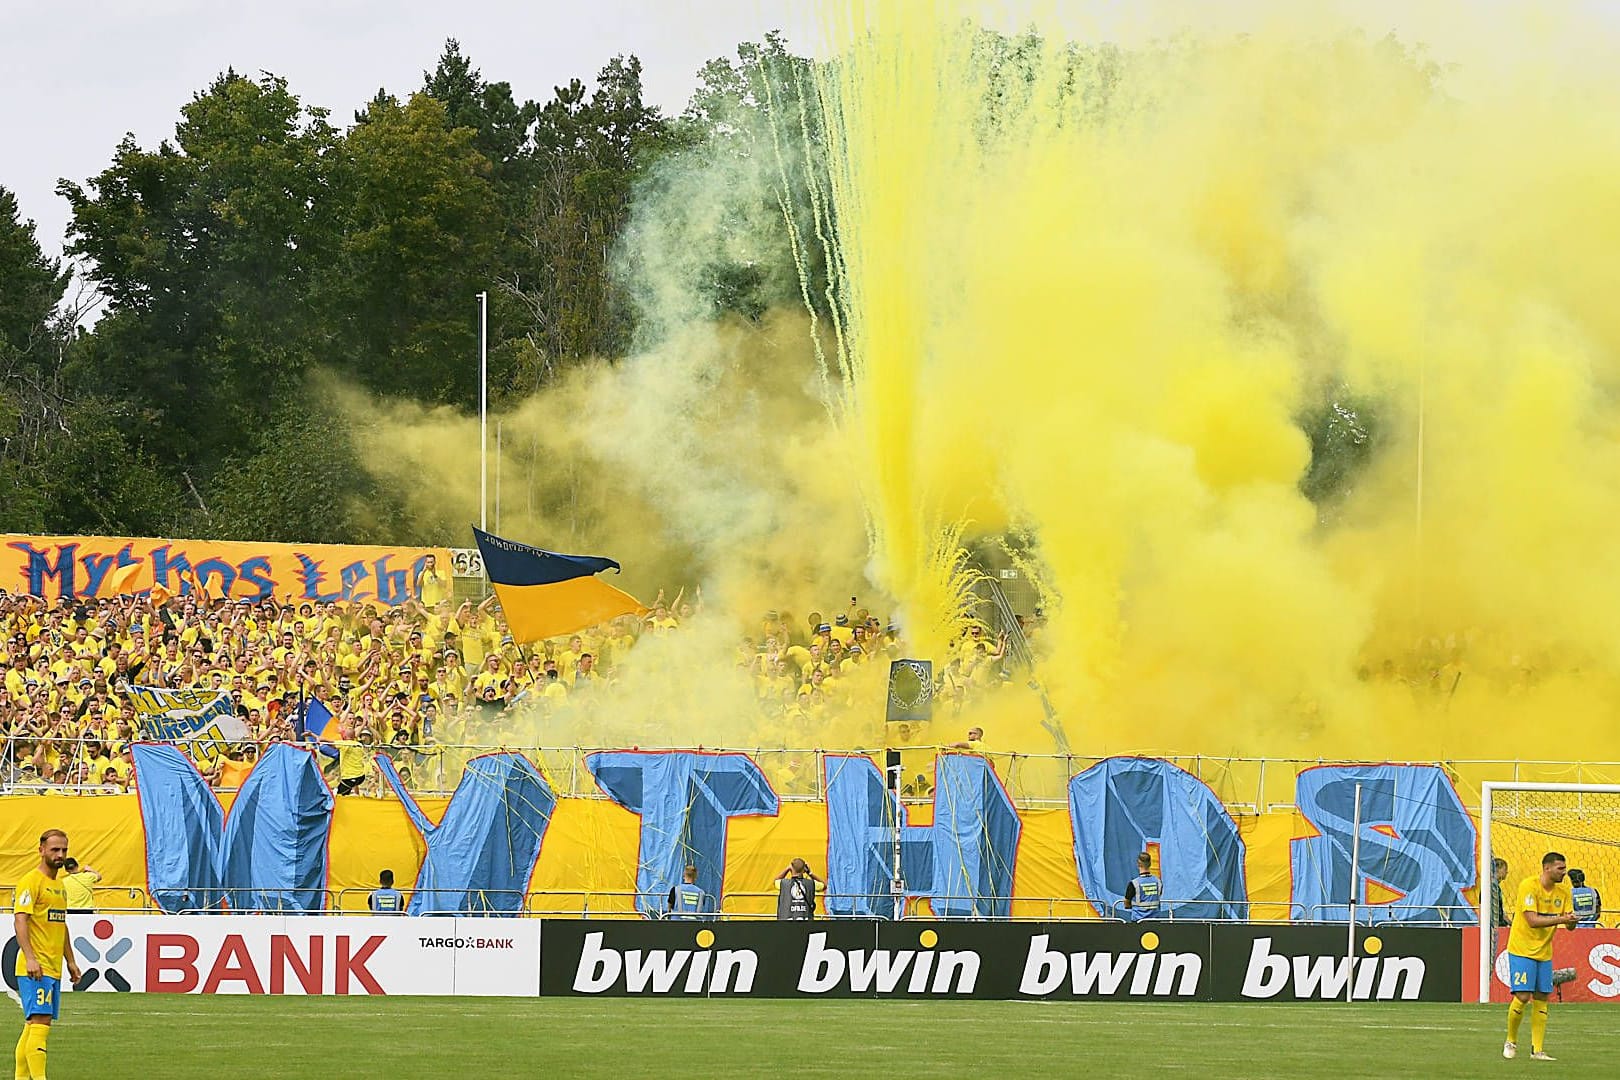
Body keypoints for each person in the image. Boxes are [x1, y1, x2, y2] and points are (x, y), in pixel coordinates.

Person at [12, 829, 83, 1080]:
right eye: (54, 849)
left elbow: (61, 925)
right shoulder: (31, 881)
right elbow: (20, 920)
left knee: (33, 1024)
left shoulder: (60, 886)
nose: (60, 854)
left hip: (53, 967)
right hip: (36, 967)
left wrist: (71, 960)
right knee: (41, 1022)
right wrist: (30, 957)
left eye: (64, 849)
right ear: (41, 850)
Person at [1503, 851, 1579, 1061]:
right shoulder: (1529, 886)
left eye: (1564, 868)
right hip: (1521, 949)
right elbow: (1532, 921)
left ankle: (1537, 1050)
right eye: (1560, 868)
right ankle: (1511, 1040)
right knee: (1523, 996)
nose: (1564, 872)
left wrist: (1572, 920)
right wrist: (1561, 918)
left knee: (1542, 997)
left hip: (1544, 952)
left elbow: (1569, 927)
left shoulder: (1563, 893)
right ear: (1547, 868)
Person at [1122, 851, 1162, 920]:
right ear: (1150, 864)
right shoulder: (1158, 882)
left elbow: (1126, 904)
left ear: (1138, 864)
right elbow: (1158, 896)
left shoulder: (1134, 884)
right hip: (1155, 921)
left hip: (1138, 922)